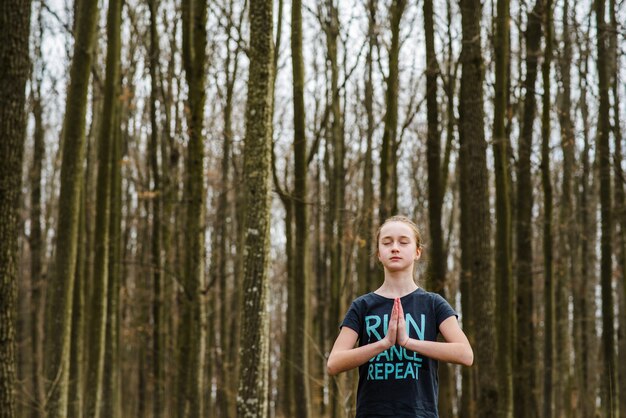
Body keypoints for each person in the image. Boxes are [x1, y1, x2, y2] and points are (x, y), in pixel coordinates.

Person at [327, 215, 473, 418]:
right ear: (379, 253)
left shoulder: (433, 304)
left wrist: (407, 342)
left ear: (417, 252)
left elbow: (465, 354)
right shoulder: (362, 306)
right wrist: (384, 343)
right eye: (387, 243)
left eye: (403, 242)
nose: (395, 248)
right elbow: (334, 362)